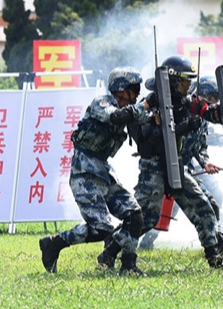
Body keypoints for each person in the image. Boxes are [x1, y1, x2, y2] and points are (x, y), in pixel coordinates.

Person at [128, 55, 223, 270]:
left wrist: (220, 113)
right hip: (154, 167)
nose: (189, 85)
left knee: (204, 204)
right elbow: (152, 134)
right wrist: (185, 128)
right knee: (147, 217)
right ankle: (113, 249)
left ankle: (216, 255)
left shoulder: (187, 101)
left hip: (177, 166)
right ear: (173, 81)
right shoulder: (153, 102)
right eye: (185, 81)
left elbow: (207, 113)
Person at [38, 67, 154, 276]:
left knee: (134, 215)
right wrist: (146, 105)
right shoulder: (102, 103)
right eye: (134, 89)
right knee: (101, 228)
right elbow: (117, 117)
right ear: (121, 88)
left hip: (103, 171)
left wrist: (158, 108)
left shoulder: (128, 109)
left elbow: (144, 118)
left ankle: (129, 265)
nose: (137, 94)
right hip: (84, 172)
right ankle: (54, 244)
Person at [138, 74, 223, 251]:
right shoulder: (182, 109)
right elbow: (170, 137)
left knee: (209, 203)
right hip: (168, 166)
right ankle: (133, 241)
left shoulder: (201, 117)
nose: (213, 103)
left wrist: (205, 163)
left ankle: (219, 245)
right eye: (212, 98)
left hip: (184, 168)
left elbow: (200, 146)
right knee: (153, 214)